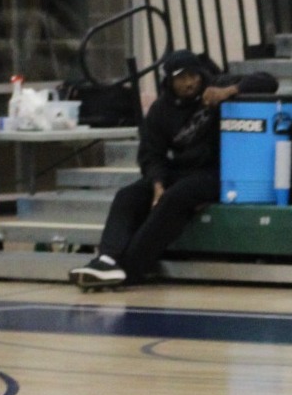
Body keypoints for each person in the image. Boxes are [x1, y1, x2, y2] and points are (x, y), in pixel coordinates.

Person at [70, 50, 279, 290]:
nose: (190, 83)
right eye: (181, 78)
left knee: (174, 198)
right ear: (169, 80)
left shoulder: (217, 86)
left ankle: (129, 269)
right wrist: (157, 183)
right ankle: (106, 259)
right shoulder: (161, 110)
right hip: (178, 171)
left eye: (193, 76)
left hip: (216, 172)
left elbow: (268, 81)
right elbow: (150, 154)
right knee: (128, 195)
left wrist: (228, 92)